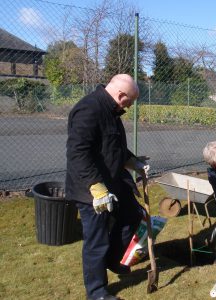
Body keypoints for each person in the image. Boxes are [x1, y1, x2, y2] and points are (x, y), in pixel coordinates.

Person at [66, 74, 149, 300]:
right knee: (97, 239)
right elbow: (78, 153)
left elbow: (113, 146)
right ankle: (97, 292)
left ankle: (114, 260)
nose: (130, 106)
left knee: (134, 215)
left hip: (115, 181)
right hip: (91, 189)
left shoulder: (112, 111)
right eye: (130, 101)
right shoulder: (89, 110)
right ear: (121, 95)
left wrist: (133, 161)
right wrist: (96, 186)